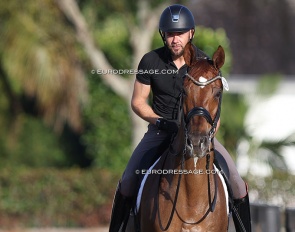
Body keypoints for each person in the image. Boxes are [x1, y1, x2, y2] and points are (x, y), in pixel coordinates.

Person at [109, 4, 251, 232]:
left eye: (180, 33)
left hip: (199, 135)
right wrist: (159, 121)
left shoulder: (206, 65)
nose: (175, 39)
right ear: (163, 35)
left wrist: (210, 131)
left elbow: (215, 108)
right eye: (170, 34)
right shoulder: (150, 61)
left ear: (191, 33)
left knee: (237, 184)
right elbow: (138, 101)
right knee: (127, 182)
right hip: (159, 132)